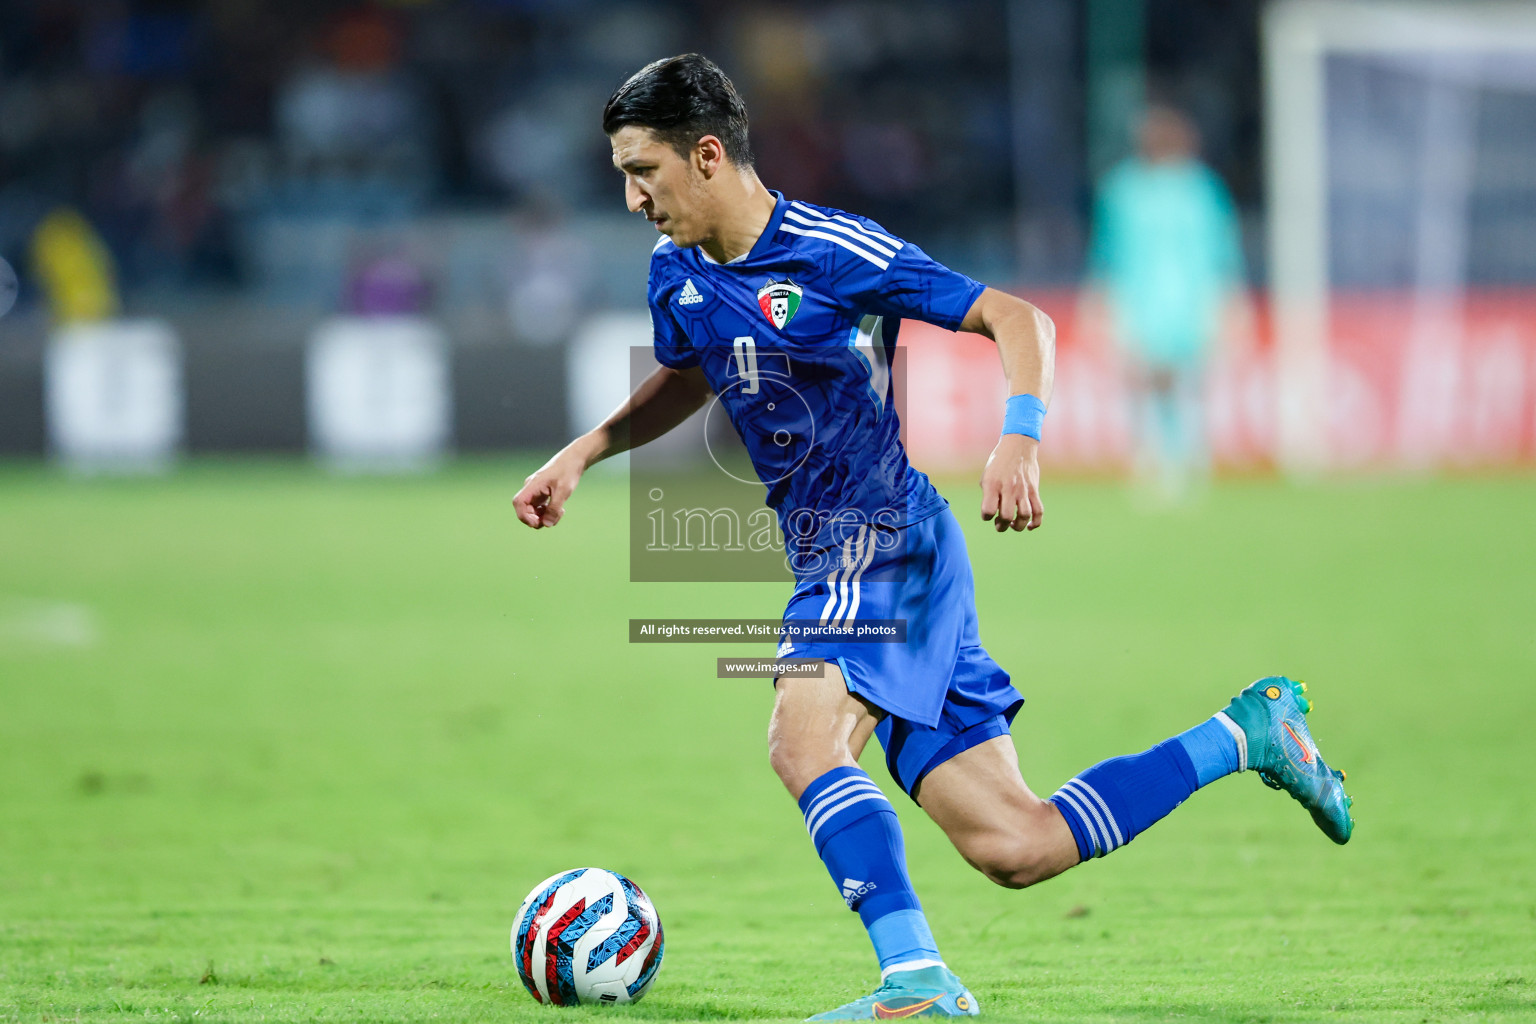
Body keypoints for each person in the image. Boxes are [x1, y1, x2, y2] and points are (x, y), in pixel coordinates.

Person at [514, 55, 1352, 1021]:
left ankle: (916, 981)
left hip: (879, 540)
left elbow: (1014, 315)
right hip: (876, 558)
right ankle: (1244, 735)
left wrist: (1021, 434)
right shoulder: (680, 272)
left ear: (707, 156)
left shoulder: (835, 253)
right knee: (1017, 845)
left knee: (802, 742)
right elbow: (696, 371)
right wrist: (588, 450)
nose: (631, 198)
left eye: (643, 171)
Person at [1083, 104, 1253, 503]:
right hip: (1139, 299)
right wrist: (1099, 298)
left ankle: (1189, 460)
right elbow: (1106, 249)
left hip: (1191, 300)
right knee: (1143, 382)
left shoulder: (1201, 188)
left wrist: (1230, 297)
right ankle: (1151, 461)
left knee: (1188, 381)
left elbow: (1222, 248)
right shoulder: (1124, 188)